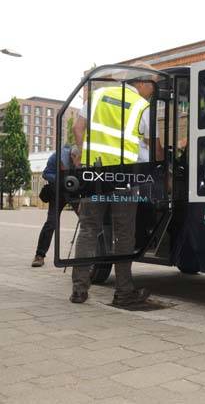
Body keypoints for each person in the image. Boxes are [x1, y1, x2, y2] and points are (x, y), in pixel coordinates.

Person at [69, 63, 160, 306]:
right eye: (152, 84)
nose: (153, 89)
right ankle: (123, 291)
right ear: (141, 83)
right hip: (124, 179)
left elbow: (77, 127)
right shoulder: (142, 107)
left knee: (89, 230)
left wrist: (81, 153)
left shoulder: (98, 96)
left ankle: (79, 289)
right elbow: (153, 147)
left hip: (95, 176)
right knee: (123, 235)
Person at [32, 145, 81, 267]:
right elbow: (46, 174)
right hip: (58, 192)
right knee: (51, 223)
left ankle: (91, 257)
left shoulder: (80, 157)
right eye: (77, 161)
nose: (78, 163)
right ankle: (39, 256)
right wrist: (60, 179)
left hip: (73, 192)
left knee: (87, 220)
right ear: (72, 155)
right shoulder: (56, 157)